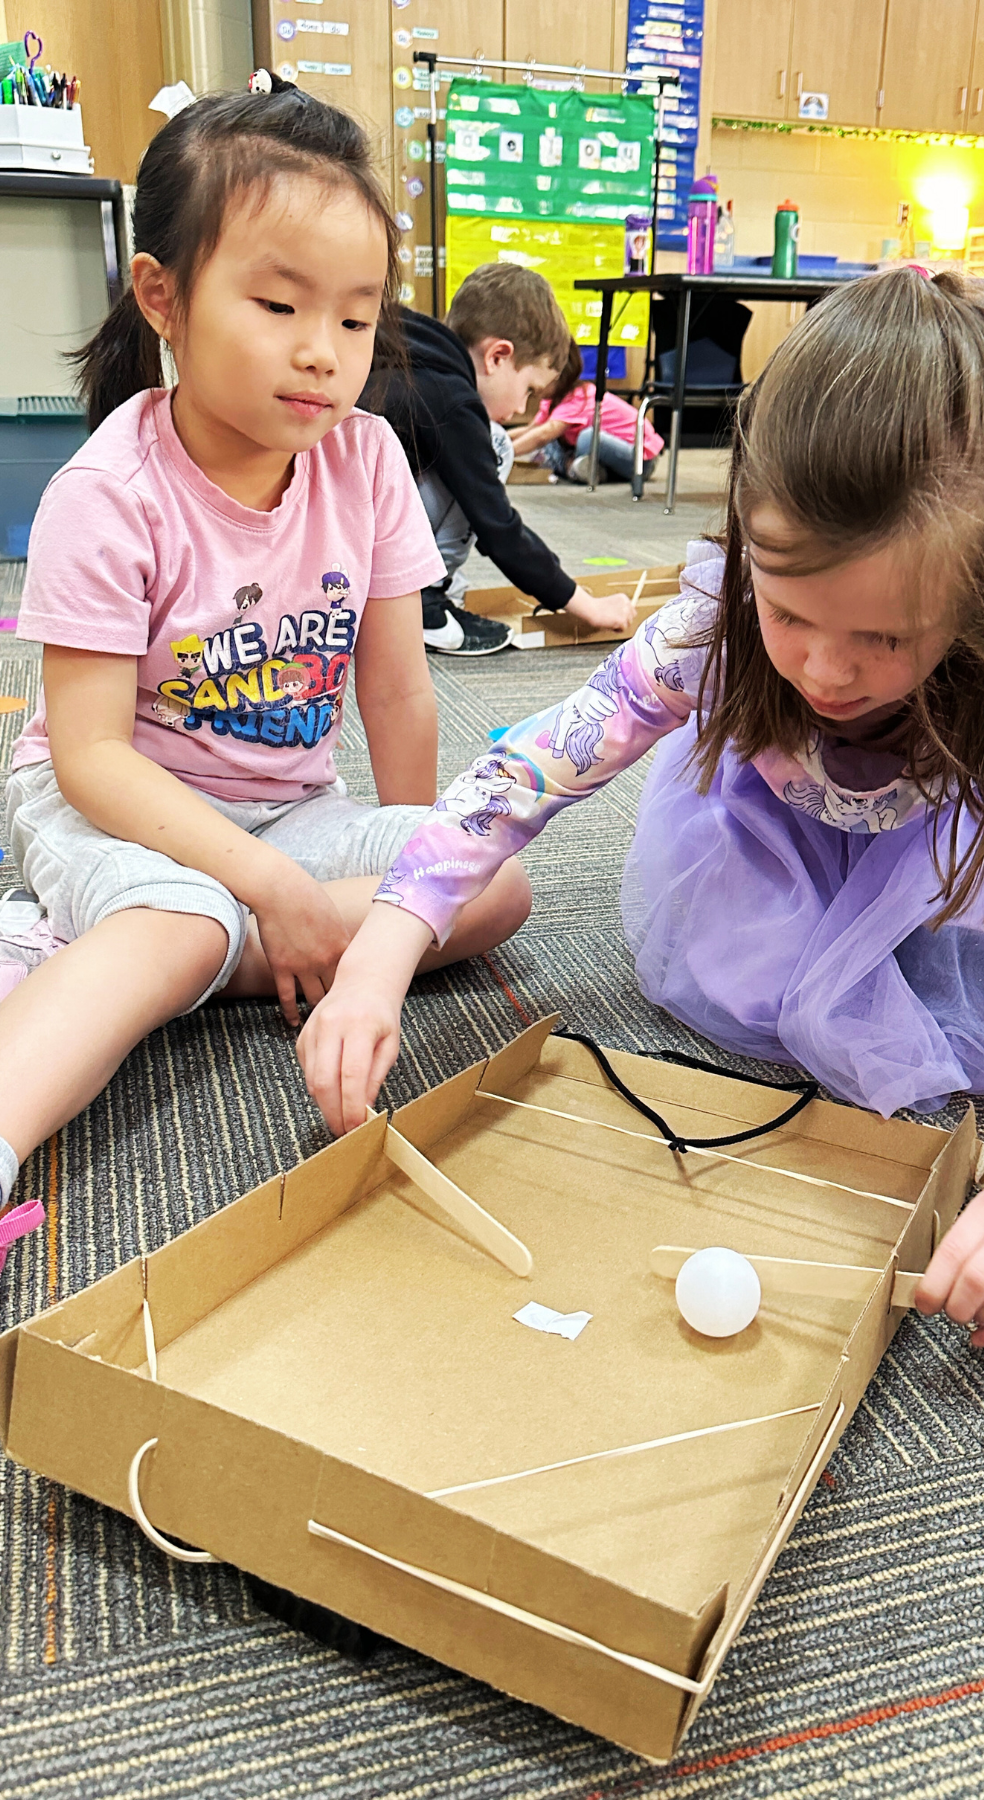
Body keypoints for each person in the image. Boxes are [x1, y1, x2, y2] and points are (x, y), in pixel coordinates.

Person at [298, 269, 984, 1353]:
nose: (824, 666)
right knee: (763, 957)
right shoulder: (715, 628)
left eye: (887, 635)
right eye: (790, 611)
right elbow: (535, 767)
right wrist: (380, 952)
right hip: (790, 834)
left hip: (956, 852)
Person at [0, 79, 531, 1232]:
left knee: (493, 881)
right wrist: (283, 896)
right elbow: (89, 756)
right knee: (180, 919)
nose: (322, 355)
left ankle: (144, 965)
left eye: (353, 319)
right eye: (279, 306)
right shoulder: (107, 494)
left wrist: (405, 881)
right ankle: (121, 973)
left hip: (288, 813)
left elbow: (396, 689)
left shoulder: (370, 458)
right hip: (115, 809)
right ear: (164, 297)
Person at [365, 265, 635, 657]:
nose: (522, 407)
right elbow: (498, 527)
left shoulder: (412, 352)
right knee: (497, 444)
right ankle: (423, 603)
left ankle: (418, 589)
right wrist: (584, 604)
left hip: (330, 543)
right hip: (359, 547)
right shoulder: (452, 400)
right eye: (529, 390)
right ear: (497, 356)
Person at [509, 340, 665, 485]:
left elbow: (543, 434)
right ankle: (588, 470)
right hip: (603, 458)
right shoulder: (550, 400)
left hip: (639, 461)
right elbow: (532, 429)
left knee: (586, 437)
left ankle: (573, 468)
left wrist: (504, 454)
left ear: (558, 376)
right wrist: (498, 439)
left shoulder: (579, 397)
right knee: (550, 442)